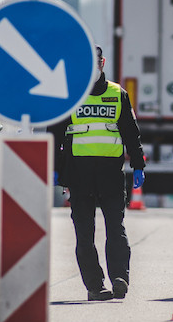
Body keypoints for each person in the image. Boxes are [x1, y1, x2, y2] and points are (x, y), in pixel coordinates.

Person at [49, 46, 146, 301]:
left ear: (102, 62)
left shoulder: (118, 94)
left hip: (111, 174)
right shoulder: (69, 95)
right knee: (84, 232)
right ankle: (95, 285)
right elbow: (55, 134)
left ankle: (119, 278)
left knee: (116, 228)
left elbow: (131, 132)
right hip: (79, 174)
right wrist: (57, 169)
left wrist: (138, 164)